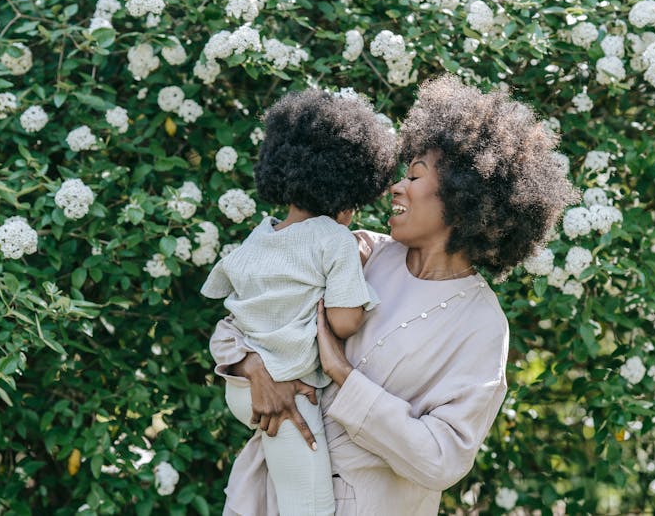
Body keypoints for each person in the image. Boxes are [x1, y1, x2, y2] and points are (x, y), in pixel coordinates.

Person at [210, 75, 580, 515]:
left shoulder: (481, 326)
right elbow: (243, 319)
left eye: (414, 175)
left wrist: (344, 376)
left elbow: (442, 459)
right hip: (262, 499)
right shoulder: (357, 251)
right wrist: (256, 371)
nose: (395, 188)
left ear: (465, 197)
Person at [201, 88, 398, 516]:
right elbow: (344, 323)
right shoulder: (334, 239)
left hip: (241, 384)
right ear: (349, 194)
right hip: (288, 393)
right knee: (309, 505)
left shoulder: (261, 235)